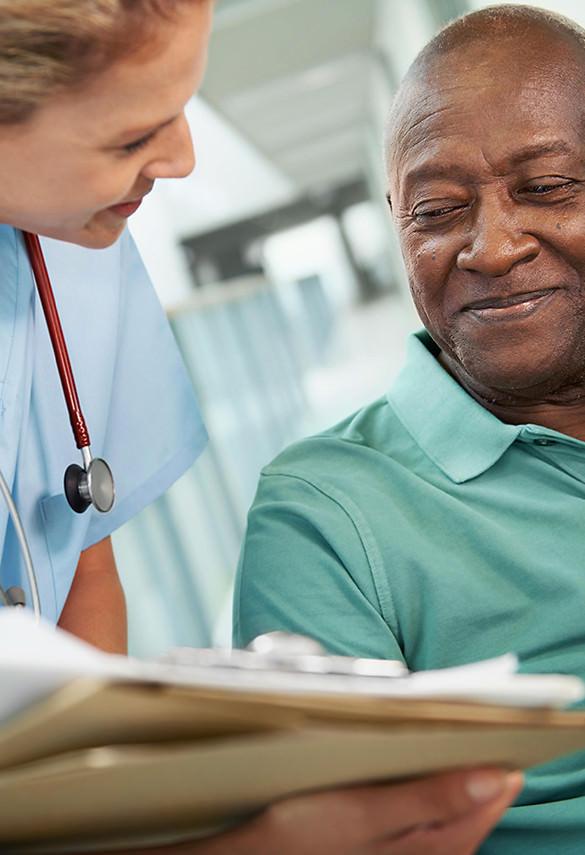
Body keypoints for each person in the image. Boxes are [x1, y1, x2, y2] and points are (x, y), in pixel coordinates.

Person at [0, 2, 522, 854]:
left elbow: (80, 554)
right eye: (130, 139)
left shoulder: (76, 244)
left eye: (184, 107)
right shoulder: (324, 510)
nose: (181, 158)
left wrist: (85, 804)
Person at [233, 3, 585, 853]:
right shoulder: (324, 517)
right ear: (393, 219)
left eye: (544, 188)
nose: (491, 247)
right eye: (436, 209)